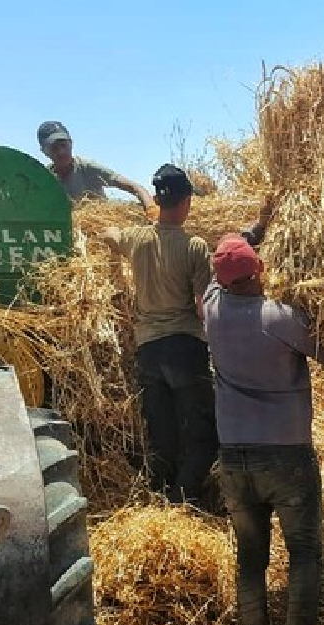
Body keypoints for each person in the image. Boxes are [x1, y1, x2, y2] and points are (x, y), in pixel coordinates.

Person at [201, 233, 324, 625]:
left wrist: (245, 238)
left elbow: (213, 277)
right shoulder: (279, 318)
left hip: (234, 457)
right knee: (303, 553)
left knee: (250, 556)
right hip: (286, 456)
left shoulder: (212, 311)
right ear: (260, 271)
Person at [99, 164, 219, 505]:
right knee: (199, 431)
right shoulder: (195, 247)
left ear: (156, 199)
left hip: (148, 348)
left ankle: (159, 495)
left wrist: (113, 268)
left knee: (162, 431)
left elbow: (107, 234)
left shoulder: (136, 239)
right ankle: (185, 499)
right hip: (184, 347)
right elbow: (202, 307)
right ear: (186, 201)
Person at [36, 120, 159, 219]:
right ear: (44, 151)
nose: (61, 152)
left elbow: (133, 186)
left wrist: (151, 208)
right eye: (54, 148)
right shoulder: (45, 179)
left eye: (63, 145)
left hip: (98, 229)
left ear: (71, 143)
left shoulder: (86, 168)